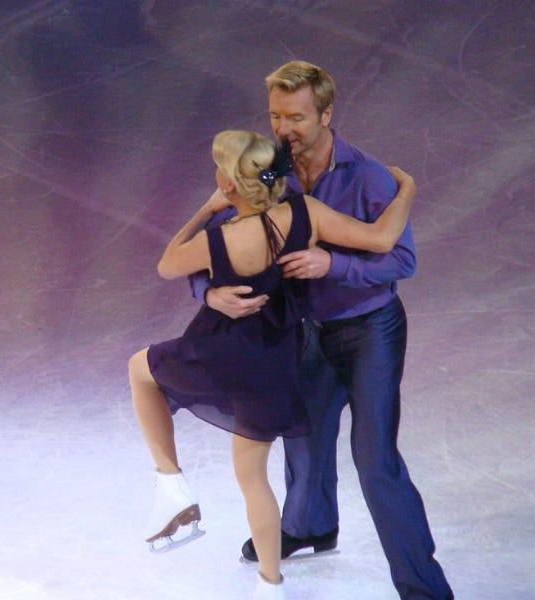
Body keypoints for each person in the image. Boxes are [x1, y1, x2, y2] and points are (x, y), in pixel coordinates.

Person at [192, 61, 454, 599]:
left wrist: (331, 266)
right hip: (304, 331)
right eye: (275, 116)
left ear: (326, 114)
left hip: (369, 330)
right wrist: (208, 292)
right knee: (303, 438)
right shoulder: (268, 175)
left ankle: (425, 589)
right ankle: (309, 526)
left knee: (374, 462)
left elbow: (401, 260)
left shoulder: (369, 176)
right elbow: (208, 242)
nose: (283, 129)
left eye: (296, 117)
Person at [129, 129, 415, 599]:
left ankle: (170, 481)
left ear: (228, 184)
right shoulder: (307, 214)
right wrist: (406, 190)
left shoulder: (220, 237)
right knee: (253, 479)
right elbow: (383, 238)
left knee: (140, 369)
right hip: (277, 364)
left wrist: (206, 209)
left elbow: (166, 264)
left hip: (220, 353)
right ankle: (270, 583)